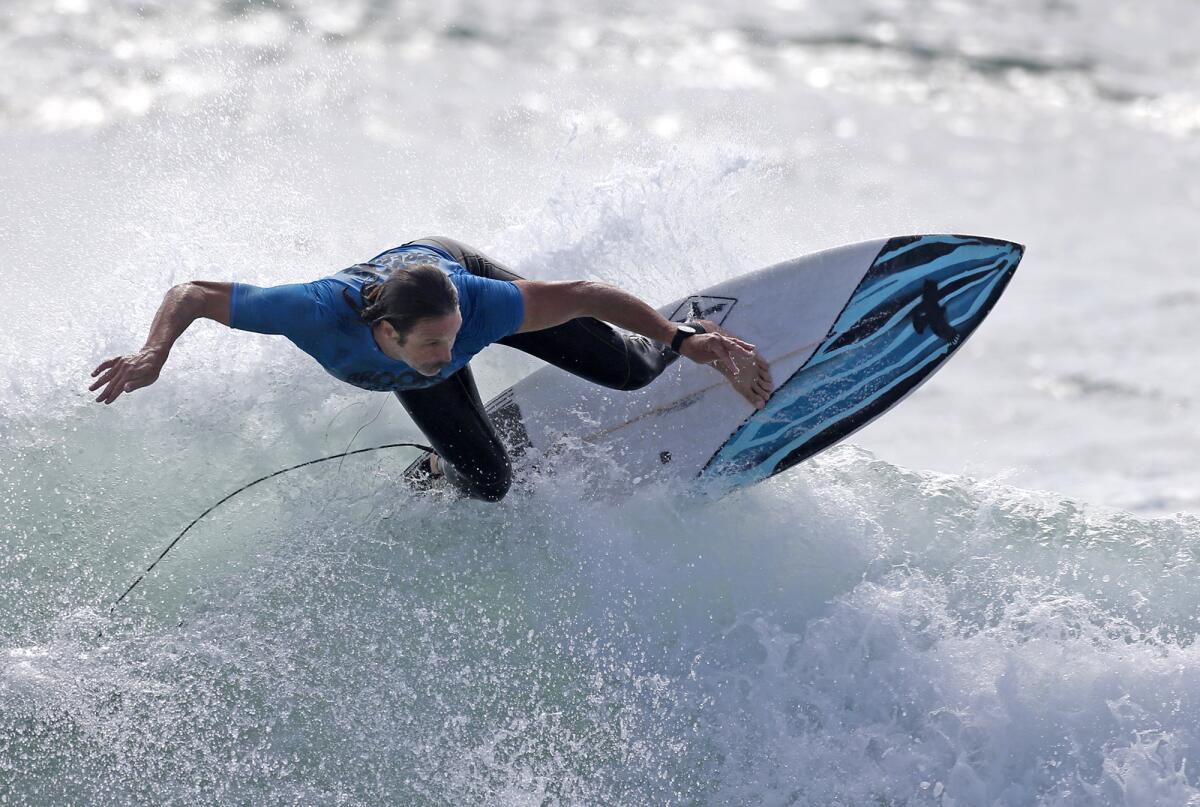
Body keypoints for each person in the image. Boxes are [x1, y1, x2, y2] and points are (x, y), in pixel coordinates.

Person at [89, 237, 774, 501]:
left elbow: (583, 294)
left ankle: (690, 333)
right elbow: (195, 295)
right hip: (409, 301)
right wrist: (156, 352)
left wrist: (678, 338)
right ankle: (440, 458)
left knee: (630, 371)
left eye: (457, 342)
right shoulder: (313, 314)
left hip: (450, 272)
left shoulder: (478, 307)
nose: (455, 354)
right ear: (384, 333)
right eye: (433, 347)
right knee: (490, 484)